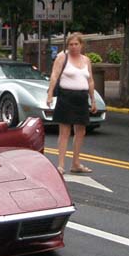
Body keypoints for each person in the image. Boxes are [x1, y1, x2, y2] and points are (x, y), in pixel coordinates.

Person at [46, 32, 97, 175]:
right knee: (64, 132)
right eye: (71, 44)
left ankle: (76, 163)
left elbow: (90, 80)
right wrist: (50, 94)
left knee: (81, 131)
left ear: (81, 45)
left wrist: (92, 99)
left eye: (76, 44)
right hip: (66, 96)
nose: (74, 47)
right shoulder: (63, 57)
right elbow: (54, 75)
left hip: (81, 98)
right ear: (67, 46)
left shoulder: (86, 60)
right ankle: (61, 164)